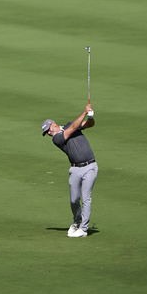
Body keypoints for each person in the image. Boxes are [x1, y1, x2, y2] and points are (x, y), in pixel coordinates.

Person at [41, 102, 97, 238]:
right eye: (46, 132)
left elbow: (89, 125)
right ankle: (77, 220)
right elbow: (73, 128)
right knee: (74, 200)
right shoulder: (57, 139)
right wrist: (84, 112)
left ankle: (83, 228)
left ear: (53, 124)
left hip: (90, 166)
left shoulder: (70, 125)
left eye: (48, 129)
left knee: (86, 198)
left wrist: (90, 117)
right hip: (75, 169)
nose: (48, 133)